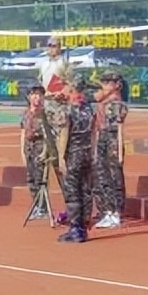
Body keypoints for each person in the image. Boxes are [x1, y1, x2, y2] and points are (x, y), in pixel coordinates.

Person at [57, 81, 96, 243]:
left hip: (73, 154)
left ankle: (75, 229)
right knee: (86, 190)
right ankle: (84, 225)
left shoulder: (68, 111)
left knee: (72, 191)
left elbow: (64, 134)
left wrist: (61, 156)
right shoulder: (88, 109)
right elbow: (94, 132)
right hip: (88, 153)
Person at [92, 70, 127, 230]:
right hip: (102, 140)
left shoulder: (116, 104)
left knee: (115, 178)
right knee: (101, 176)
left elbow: (119, 129)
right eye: (104, 82)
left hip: (112, 142)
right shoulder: (103, 103)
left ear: (116, 86)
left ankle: (116, 213)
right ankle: (108, 210)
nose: (105, 86)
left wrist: (119, 150)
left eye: (108, 83)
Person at [38, 36, 76, 167]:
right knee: (45, 127)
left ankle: (61, 157)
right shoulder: (43, 64)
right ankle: (46, 151)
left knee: (62, 128)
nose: (51, 48)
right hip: (46, 99)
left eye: (54, 46)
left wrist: (61, 93)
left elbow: (70, 83)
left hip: (59, 101)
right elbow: (41, 81)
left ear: (59, 47)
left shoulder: (64, 63)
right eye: (49, 45)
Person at [19, 84, 51, 219]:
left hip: (40, 146)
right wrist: (22, 151)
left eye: (40, 95)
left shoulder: (45, 114)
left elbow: (48, 136)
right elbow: (22, 132)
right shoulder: (26, 114)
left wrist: (45, 151)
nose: (37, 98)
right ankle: (36, 205)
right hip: (29, 147)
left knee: (40, 179)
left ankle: (42, 207)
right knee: (30, 179)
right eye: (34, 95)